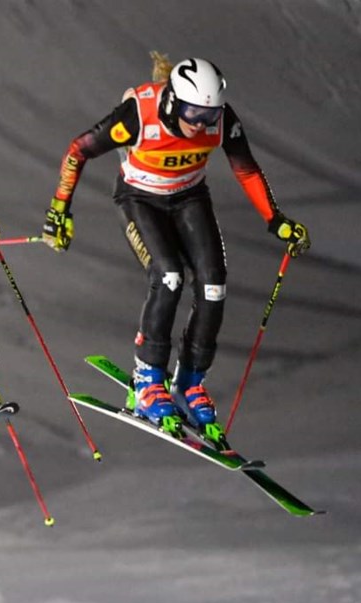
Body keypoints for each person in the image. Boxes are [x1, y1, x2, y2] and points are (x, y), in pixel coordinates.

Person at [40, 53, 311, 442]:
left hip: (188, 197)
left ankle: (190, 381)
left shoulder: (222, 120)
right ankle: (148, 378)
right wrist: (58, 211)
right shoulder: (139, 114)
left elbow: (246, 168)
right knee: (168, 277)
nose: (199, 124)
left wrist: (276, 220)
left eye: (208, 116)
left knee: (214, 284)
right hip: (139, 198)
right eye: (191, 113)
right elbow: (78, 149)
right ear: (172, 101)